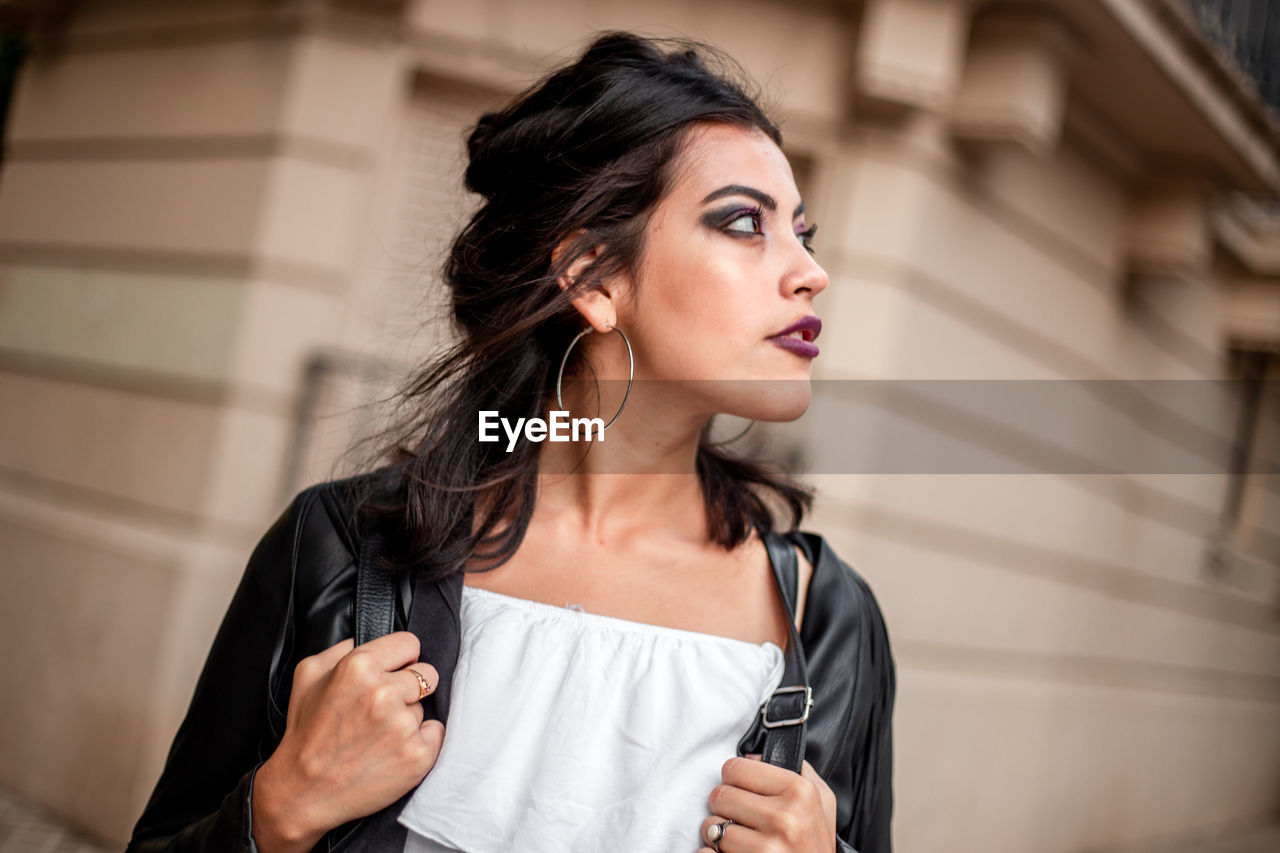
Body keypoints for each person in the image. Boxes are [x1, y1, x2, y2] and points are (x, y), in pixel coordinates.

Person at [126, 30, 895, 853]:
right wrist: (274, 814)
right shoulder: (345, 550)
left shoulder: (825, 614)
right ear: (594, 278)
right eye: (747, 223)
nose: (809, 271)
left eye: (802, 234)